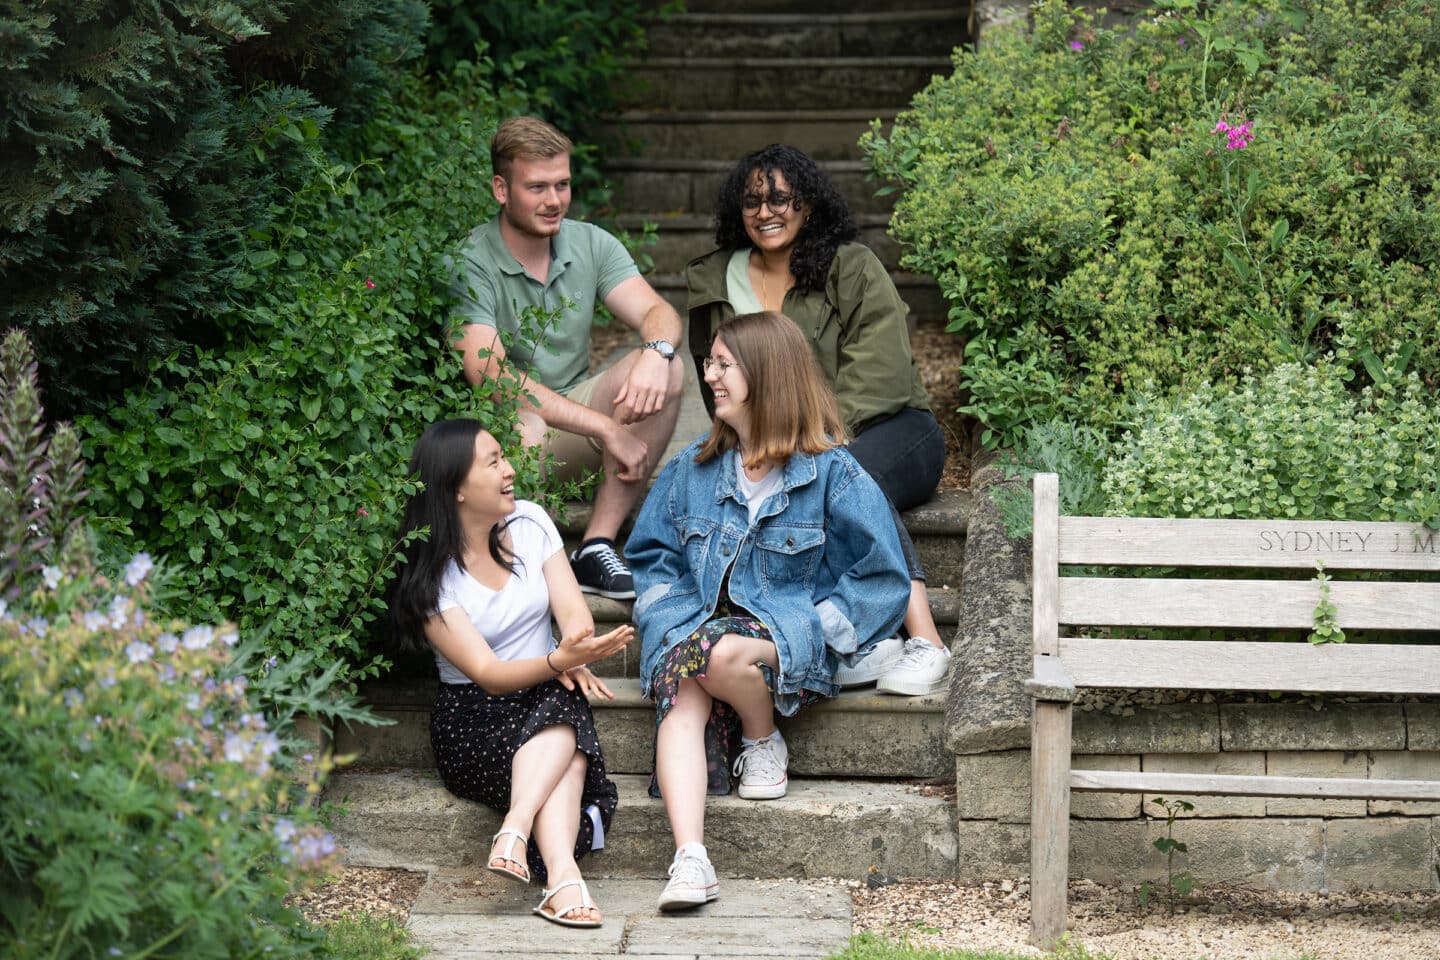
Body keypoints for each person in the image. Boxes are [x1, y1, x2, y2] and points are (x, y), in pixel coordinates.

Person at [624, 311, 909, 911]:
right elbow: (651, 559)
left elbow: (884, 577)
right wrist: (674, 623)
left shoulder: (830, 473)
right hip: (697, 627)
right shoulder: (690, 471)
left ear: (769, 375)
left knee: (723, 652)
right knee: (687, 683)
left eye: (724, 364)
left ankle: (762, 736)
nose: (711, 376)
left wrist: (801, 634)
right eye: (710, 363)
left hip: (780, 644)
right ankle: (691, 859)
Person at [685, 143, 951, 696]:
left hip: (887, 429)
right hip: (775, 446)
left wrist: (803, 443)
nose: (766, 212)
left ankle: (925, 638)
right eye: (753, 201)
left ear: (808, 204)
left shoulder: (848, 267)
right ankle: (853, 643)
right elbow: (715, 376)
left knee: (842, 478)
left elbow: (880, 373)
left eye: (781, 198)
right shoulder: (714, 280)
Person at [387, 419, 634, 928]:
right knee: (566, 726)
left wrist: (573, 646)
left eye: (505, 457)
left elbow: (575, 614)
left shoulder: (531, 521)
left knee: (561, 702)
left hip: (547, 691)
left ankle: (520, 837)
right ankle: (560, 876)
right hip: (472, 719)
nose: (510, 470)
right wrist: (559, 661)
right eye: (494, 461)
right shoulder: (429, 579)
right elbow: (489, 673)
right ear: (455, 487)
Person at [451, 116, 685, 601]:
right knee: (525, 426)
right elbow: (490, 375)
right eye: (537, 187)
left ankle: (596, 545)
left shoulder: (589, 242)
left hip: (573, 423)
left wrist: (656, 352)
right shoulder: (470, 260)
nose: (554, 200)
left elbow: (658, 312)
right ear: (501, 188)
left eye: (562, 185)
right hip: (510, 434)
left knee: (670, 366)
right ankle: (522, 552)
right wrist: (605, 428)